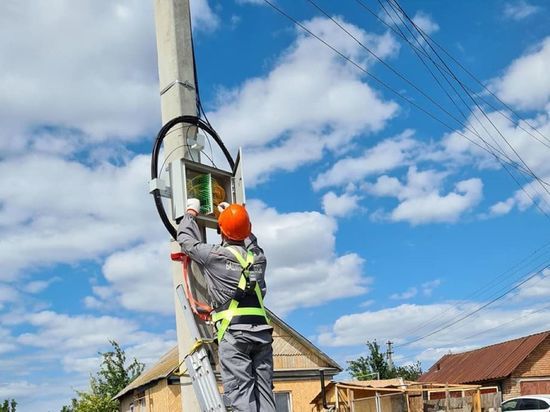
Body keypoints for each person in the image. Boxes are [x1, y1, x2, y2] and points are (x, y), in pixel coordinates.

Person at [177, 198, 276, 412]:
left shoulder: (215, 255)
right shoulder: (259, 258)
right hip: (262, 334)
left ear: (221, 231)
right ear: (247, 230)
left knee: (242, 395)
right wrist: (232, 215)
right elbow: (252, 242)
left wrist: (191, 212)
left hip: (235, 335)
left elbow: (186, 242)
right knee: (265, 394)